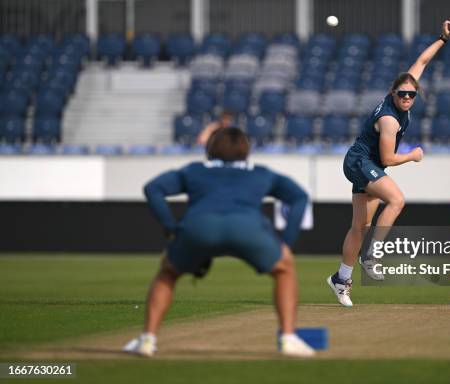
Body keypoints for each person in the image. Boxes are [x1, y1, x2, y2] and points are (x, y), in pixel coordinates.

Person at [123, 127, 315, 357]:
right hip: (248, 229)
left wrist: (170, 228)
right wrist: (287, 241)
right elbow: (299, 196)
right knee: (284, 269)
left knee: (168, 273)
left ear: (209, 149)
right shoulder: (260, 173)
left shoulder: (194, 170)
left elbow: (153, 188)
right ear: (246, 151)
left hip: (198, 228)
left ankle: (147, 340)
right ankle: (288, 338)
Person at [327, 20, 450, 307]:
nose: (408, 98)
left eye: (412, 94)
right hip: (361, 161)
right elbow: (387, 159)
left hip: (366, 163)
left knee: (360, 225)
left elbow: (422, 61)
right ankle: (373, 256)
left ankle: (341, 278)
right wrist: (412, 155)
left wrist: (442, 40)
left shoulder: (402, 94)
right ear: (392, 93)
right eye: (403, 94)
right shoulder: (389, 119)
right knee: (397, 200)